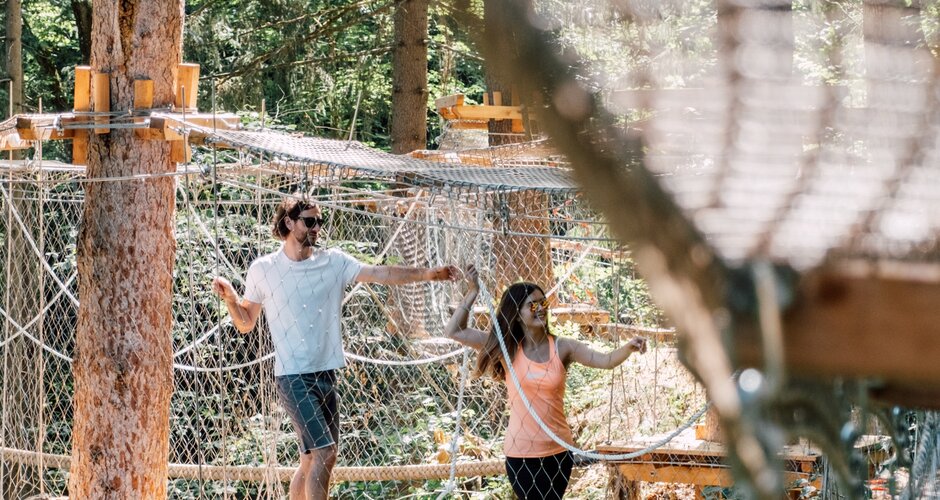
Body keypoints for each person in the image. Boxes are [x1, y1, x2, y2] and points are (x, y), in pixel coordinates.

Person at [212, 196, 458, 500]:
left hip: (326, 373)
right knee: (325, 453)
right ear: (289, 223)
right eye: (310, 221)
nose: (317, 228)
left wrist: (429, 274)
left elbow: (380, 274)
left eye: (320, 222)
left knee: (312, 458)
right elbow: (246, 322)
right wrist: (231, 299)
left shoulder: (333, 262)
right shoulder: (264, 269)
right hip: (292, 377)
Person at [444, 266, 647, 499]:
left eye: (543, 303)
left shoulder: (563, 347)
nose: (540, 309)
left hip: (558, 451)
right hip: (521, 454)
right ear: (516, 313)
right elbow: (455, 331)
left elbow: (605, 360)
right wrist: (473, 291)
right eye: (533, 305)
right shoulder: (507, 347)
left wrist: (629, 347)